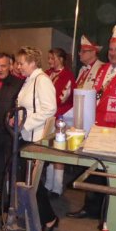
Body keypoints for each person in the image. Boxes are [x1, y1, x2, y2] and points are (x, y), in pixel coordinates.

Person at [67, 25, 116, 220]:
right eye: (111, 50)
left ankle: (109, 215)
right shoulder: (102, 69)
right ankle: (91, 208)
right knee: (93, 170)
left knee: (113, 177)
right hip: (98, 128)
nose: (113, 54)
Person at [13, 46, 59, 231]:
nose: (18, 66)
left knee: (34, 182)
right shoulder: (30, 80)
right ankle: (39, 216)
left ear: (32, 63)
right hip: (28, 137)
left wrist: (25, 123)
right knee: (30, 181)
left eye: (21, 63)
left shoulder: (42, 80)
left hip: (37, 138)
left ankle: (49, 219)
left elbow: (50, 108)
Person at [0, 52, 24, 216]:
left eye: (3, 66)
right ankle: (1, 203)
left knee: (14, 171)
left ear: (10, 66)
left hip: (11, 136)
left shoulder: (19, 84)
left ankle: (13, 206)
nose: (0, 69)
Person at [44, 48, 75, 197]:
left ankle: (57, 187)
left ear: (61, 59)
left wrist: (46, 107)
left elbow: (63, 97)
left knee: (58, 151)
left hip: (60, 118)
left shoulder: (67, 75)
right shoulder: (47, 73)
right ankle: (48, 184)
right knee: (49, 151)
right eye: (49, 58)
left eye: (52, 58)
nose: (50, 61)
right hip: (48, 117)